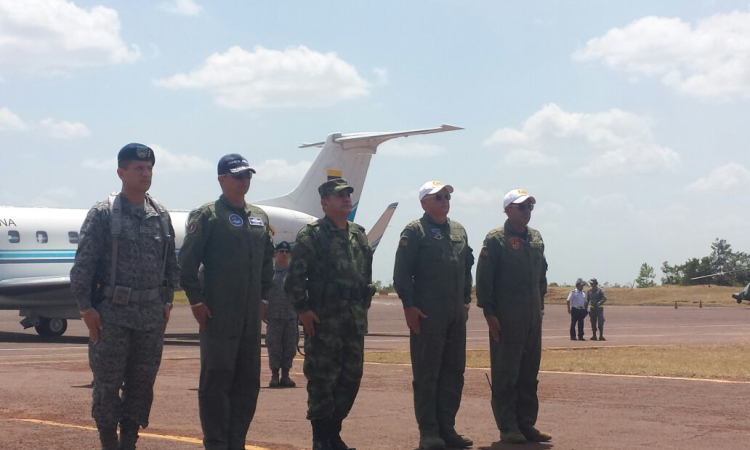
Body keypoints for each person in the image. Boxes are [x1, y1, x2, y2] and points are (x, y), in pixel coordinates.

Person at [70, 143, 178, 450]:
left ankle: (129, 440)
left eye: (149, 169)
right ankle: (109, 441)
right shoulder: (103, 214)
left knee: (142, 386)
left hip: (149, 318)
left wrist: (167, 302)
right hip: (112, 317)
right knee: (107, 385)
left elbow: (171, 266)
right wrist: (86, 309)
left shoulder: (159, 215)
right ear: (121, 173)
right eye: (138, 169)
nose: (145, 174)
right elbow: (83, 266)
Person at [178, 154, 275, 450]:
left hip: (248, 316)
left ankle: (237, 441)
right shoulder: (207, 215)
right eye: (237, 176)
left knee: (248, 381)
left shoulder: (260, 217)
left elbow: (268, 262)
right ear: (221, 179)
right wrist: (196, 301)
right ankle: (217, 442)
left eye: (247, 176)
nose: (244, 181)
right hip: (218, 312)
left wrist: (262, 297)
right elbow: (187, 262)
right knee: (216, 380)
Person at [284, 178, 374, 450]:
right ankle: (321, 438)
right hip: (324, 322)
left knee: (350, 379)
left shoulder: (358, 235)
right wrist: (303, 309)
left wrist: (362, 305)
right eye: (339, 196)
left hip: (354, 321)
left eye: (348, 194)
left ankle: (334, 435)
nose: (346, 199)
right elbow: (294, 278)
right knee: (323, 379)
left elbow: (366, 276)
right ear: (325, 203)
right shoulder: (312, 235)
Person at [393, 180, 474, 450]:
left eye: (447, 196)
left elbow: (466, 267)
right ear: (424, 203)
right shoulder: (415, 232)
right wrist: (409, 306)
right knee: (428, 374)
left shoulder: (459, 230)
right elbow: (402, 272)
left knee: (453, 372)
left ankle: (447, 427)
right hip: (428, 314)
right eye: (437, 196)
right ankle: (429, 431)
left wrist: (465, 301)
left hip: (454, 315)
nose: (444, 200)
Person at [475, 188, 551, 444]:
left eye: (530, 207)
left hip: (531, 317)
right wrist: (489, 312)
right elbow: (484, 278)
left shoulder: (536, 238)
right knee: (506, 373)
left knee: (529, 373)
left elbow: (542, 275)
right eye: (522, 207)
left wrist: (539, 305)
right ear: (507, 209)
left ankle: (526, 424)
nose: (527, 211)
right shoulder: (496, 239)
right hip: (506, 317)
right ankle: (508, 426)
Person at [262, 240, 299, 388]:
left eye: (286, 252)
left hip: (291, 316)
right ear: (275, 254)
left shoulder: (295, 273)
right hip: (274, 316)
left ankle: (286, 375)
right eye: (281, 251)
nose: (284, 254)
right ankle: (274, 375)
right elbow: (262, 291)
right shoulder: (268, 273)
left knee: (290, 346)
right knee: (274, 346)